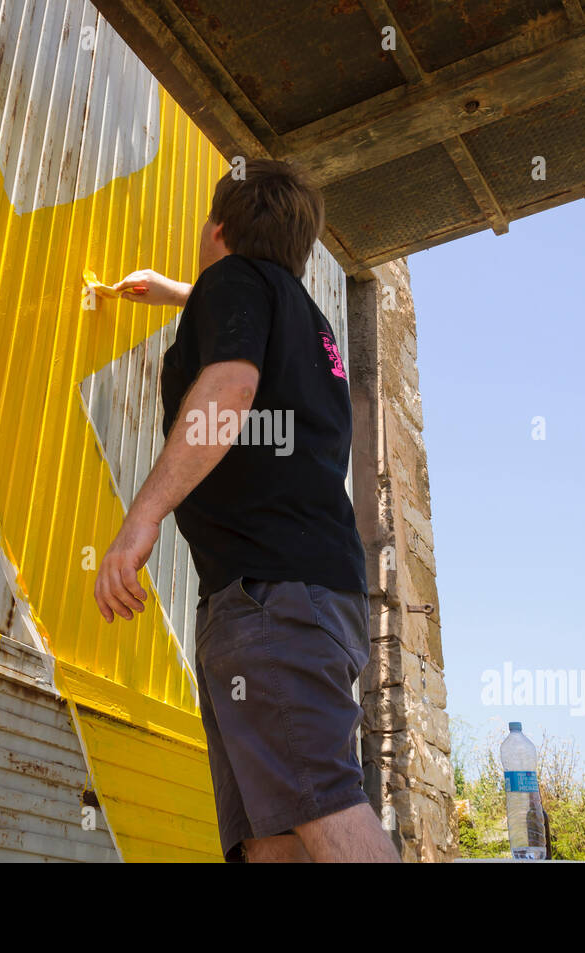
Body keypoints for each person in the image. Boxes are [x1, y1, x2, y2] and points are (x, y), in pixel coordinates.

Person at [93, 158, 399, 863]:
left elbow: (230, 390)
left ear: (218, 229)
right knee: (273, 840)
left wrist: (140, 520)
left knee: (322, 806)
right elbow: (245, 329)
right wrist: (181, 295)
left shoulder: (232, 284)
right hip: (303, 598)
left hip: (271, 600)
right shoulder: (312, 325)